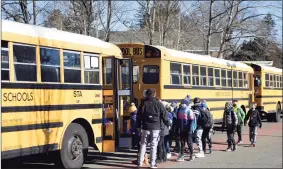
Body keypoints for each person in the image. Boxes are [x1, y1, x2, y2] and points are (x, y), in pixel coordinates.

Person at [136, 88, 170, 168]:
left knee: (143, 145)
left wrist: (138, 126)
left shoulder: (143, 103)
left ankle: (140, 163)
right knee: (153, 145)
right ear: (154, 94)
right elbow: (164, 115)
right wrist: (167, 123)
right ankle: (152, 164)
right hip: (155, 127)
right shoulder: (158, 103)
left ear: (146, 94)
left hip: (145, 127)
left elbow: (139, 116)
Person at [175, 97, 195, 162]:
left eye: (184, 103)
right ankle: (182, 155)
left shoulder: (189, 111)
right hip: (182, 129)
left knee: (189, 143)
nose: (183, 104)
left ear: (187, 104)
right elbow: (178, 120)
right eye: (182, 103)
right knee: (182, 143)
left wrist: (190, 129)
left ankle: (192, 155)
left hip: (188, 129)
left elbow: (191, 121)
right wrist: (178, 128)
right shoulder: (179, 110)